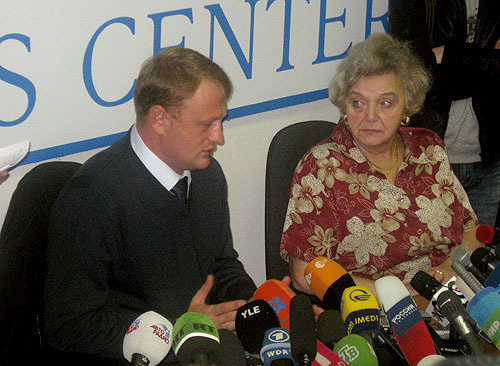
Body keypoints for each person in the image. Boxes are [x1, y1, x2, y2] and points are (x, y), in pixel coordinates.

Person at [43, 47, 256, 364]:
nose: (219, 137)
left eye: (221, 121)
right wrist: (182, 329)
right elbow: (70, 325)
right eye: (207, 124)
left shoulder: (208, 176)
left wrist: (257, 305)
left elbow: (221, 265)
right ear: (159, 119)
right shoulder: (92, 196)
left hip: (202, 349)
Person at [280, 33, 481, 297]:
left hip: (447, 293)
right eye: (358, 103)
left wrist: (447, 271)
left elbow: (471, 231)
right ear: (345, 104)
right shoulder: (322, 166)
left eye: (386, 103)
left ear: (406, 106)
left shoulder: (428, 148)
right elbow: (304, 273)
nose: (370, 116)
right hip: (372, 308)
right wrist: (398, 293)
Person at [388, 0, 500, 227]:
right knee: (429, 260)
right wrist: (486, 58)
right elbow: (420, 77)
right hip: (430, 161)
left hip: (491, 159)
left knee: (477, 258)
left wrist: (447, 56)